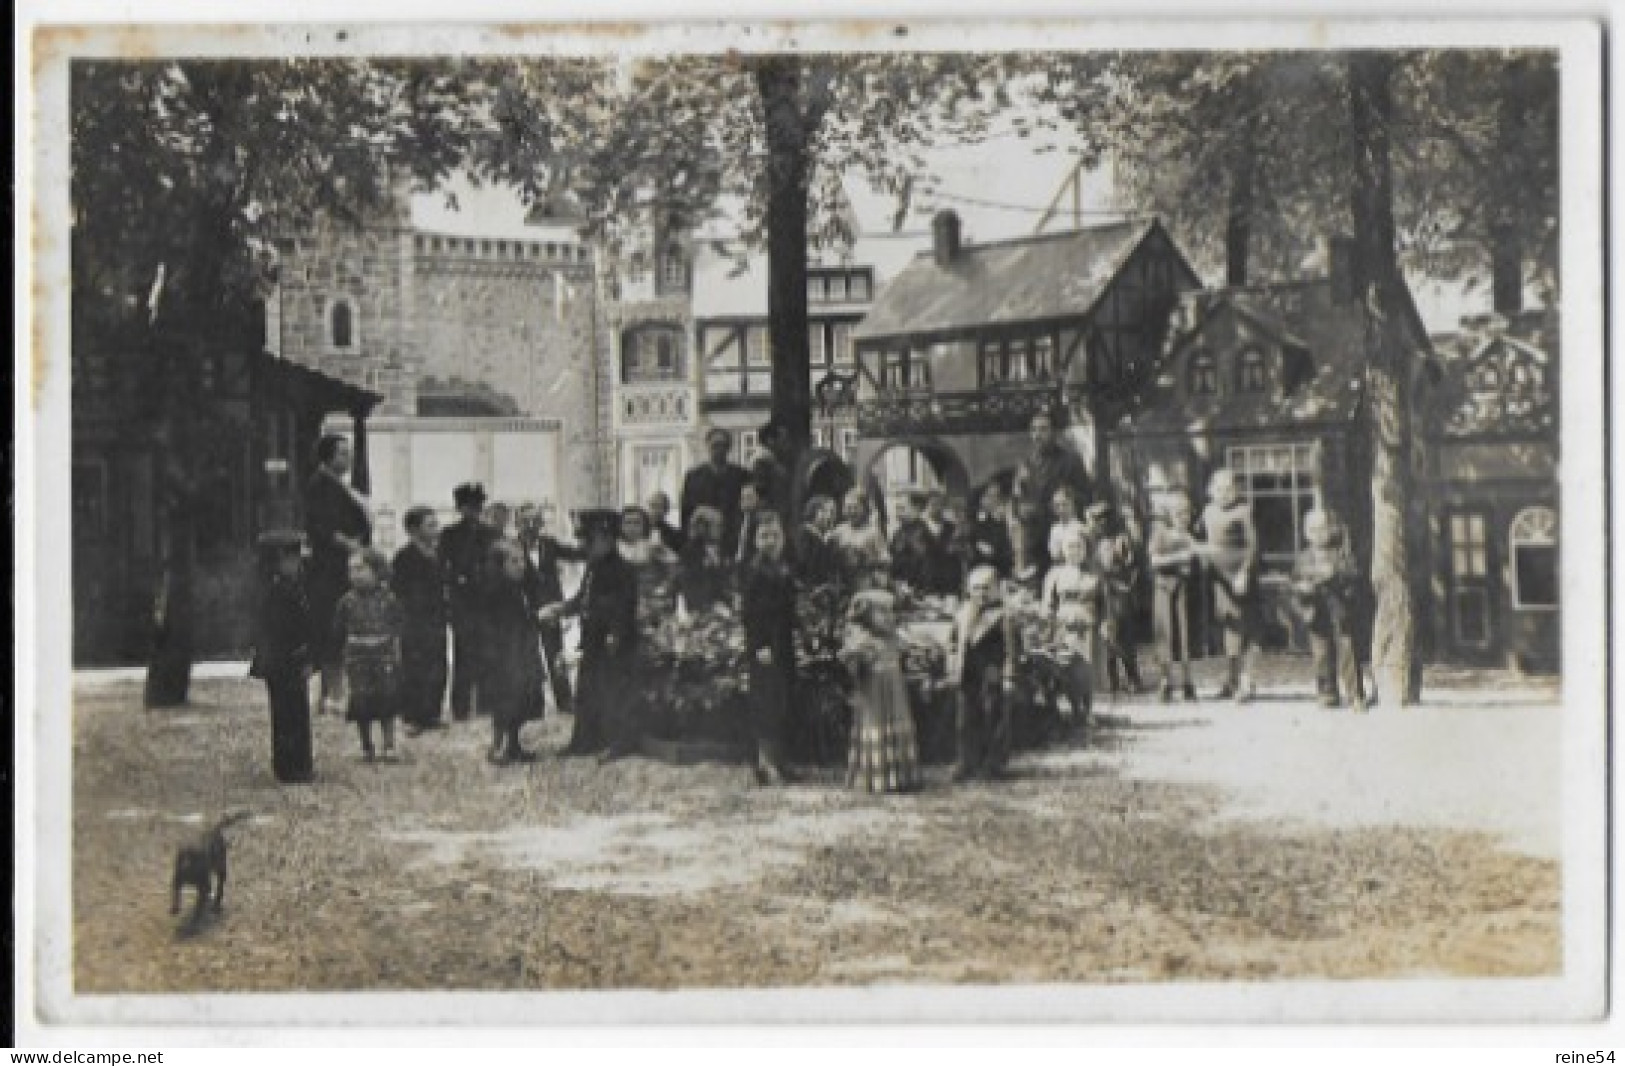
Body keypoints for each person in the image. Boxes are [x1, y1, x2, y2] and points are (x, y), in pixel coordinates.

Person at [543, 510, 639, 760]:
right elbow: (583, 598)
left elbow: (624, 606)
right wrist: (562, 608)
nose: (584, 545)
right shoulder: (594, 566)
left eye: (589, 540)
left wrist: (615, 634)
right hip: (593, 638)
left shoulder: (623, 570)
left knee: (613, 693)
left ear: (607, 539)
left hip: (613, 641)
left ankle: (618, 743)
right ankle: (584, 741)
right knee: (586, 690)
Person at [304, 433, 372, 716]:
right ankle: (332, 694)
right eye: (342, 453)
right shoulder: (319, 485)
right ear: (328, 456)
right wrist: (349, 543)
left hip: (340, 563)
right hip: (327, 566)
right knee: (330, 627)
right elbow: (321, 526)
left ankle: (330, 694)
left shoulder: (338, 486)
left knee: (337, 629)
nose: (348, 459)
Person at [840, 588, 922, 794]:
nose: (888, 617)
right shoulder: (862, 640)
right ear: (868, 616)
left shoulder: (895, 639)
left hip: (895, 691)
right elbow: (852, 670)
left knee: (897, 723)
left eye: (890, 612)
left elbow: (911, 658)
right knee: (875, 725)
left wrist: (915, 656)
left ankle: (902, 776)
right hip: (874, 694)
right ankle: (876, 777)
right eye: (882, 613)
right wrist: (854, 659)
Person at [249, 531, 314, 784]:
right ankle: (290, 765)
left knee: (297, 709)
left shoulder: (293, 587)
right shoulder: (274, 592)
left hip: (292, 657)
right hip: (282, 658)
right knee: (286, 711)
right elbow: (278, 629)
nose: (297, 563)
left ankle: (299, 762)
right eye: (292, 558)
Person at [948, 567, 1021, 781]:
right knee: (965, 720)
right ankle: (966, 762)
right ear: (969, 590)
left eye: (986, 588)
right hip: (966, 672)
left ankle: (993, 763)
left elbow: (1011, 651)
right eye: (976, 588)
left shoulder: (1004, 616)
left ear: (997, 589)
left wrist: (1009, 676)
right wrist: (953, 666)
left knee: (993, 717)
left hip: (992, 672)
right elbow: (952, 643)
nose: (981, 593)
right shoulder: (962, 613)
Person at [1292, 508, 1368, 712]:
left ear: (1331, 529)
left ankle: (1355, 695)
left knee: (1347, 651)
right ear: (1306, 532)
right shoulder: (1304, 556)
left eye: (1322, 528)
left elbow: (1354, 573)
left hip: (1339, 608)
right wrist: (1302, 587)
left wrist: (1336, 572)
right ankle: (1327, 692)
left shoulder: (1341, 552)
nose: (1317, 533)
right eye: (1312, 529)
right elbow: (1295, 580)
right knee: (1321, 653)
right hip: (1315, 610)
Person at [332, 548, 404, 762]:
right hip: (357, 657)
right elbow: (338, 631)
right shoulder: (346, 602)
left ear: (377, 571)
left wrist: (396, 651)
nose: (355, 574)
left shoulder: (389, 599)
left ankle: (389, 744)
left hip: (383, 655)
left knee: (386, 698)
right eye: (351, 570)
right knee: (361, 701)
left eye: (360, 569)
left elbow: (398, 626)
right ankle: (366, 744)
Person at [481, 539, 548, 763]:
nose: (521, 566)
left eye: (523, 560)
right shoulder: (494, 592)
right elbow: (492, 627)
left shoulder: (520, 589)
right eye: (514, 561)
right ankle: (498, 746)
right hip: (505, 657)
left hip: (522, 653)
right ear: (500, 565)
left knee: (520, 701)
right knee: (504, 702)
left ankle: (513, 745)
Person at [742, 515, 797, 785]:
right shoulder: (755, 571)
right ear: (756, 540)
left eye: (775, 536)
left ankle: (779, 761)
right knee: (765, 702)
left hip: (783, 644)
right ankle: (764, 764)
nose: (770, 542)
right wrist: (760, 645)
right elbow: (751, 615)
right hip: (764, 646)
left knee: (782, 701)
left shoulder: (783, 569)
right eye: (764, 536)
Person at [1198, 468, 1260, 703]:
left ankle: (1247, 681)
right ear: (1210, 491)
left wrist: (1244, 573)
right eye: (1219, 489)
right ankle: (1231, 680)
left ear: (1237, 490)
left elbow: (1253, 546)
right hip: (1219, 581)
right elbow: (1199, 538)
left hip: (1241, 580)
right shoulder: (1208, 511)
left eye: (1229, 489)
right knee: (1229, 628)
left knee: (1248, 630)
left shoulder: (1244, 511)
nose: (1224, 493)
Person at [515, 503, 583, 716]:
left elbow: (576, 553)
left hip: (551, 607)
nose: (531, 525)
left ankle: (565, 701)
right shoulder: (511, 547)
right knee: (528, 655)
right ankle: (533, 705)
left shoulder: (549, 544)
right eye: (525, 520)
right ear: (517, 523)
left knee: (556, 654)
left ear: (542, 523)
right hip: (526, 610)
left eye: (535, 520)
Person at [1013, 410, 1092, 585]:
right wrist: (1021, 510)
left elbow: (1086, 496)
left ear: (1054, 432)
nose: (1037, 435)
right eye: (1033, 430)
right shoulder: (1026, 463)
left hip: (1064, 535)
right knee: (1037, 584)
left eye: (1043, 430)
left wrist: (1062, 501)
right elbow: (1017, 499)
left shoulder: (1071, 461)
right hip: (1035, 538)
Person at [439, 482, 497, 720]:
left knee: (488, 651)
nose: (473, 511)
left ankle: (486, 703)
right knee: (463, 653)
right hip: (462, 601)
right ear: (460, 508)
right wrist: (457, 580)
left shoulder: (490, 533)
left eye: (477, 506)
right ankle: (461, 707)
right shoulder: (449, 534)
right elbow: (443, 565)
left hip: (487, 600)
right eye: (468, 507)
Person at [391, 507, 448, 736]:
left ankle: (431, 712)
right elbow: (398, 590)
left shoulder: (438, 554)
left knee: (438, 664)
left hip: (437, 618)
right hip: (414, 620)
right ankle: (412, 716)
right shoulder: (403, 557)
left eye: (436, 524)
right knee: (414, 666)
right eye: (430, 525)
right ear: (413, 530)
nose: (436, 529)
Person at [1042, 527, 1105, 735]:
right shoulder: (1054, 575)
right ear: (1062, 550)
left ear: (1085, 549)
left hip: (1088, 625)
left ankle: (1087, 710)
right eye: (1070, 547)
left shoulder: (1095, 573)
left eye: (1079, 546)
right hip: (1063, 626)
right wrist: (1048, 627)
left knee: (1086, 669)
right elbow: (1048, 604)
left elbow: (1104, 604)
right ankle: (1073, 707)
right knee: (1067, 668)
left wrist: (1106, 624)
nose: (1074, 551)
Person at [1147, 491, 1201, 702]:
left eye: (1186, 513)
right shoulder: (1160, 534)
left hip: (1185, 590)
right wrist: (1179, 557)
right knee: (1165, 635)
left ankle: (1188, 682)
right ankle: (1165, 682)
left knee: (1185, 633)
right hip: (1164, 589)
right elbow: (1154, 561)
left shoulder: (1190, 536)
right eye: (1178, 513)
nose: (1183, 517)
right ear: (1169, 514)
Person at [1092, 502, 1145, 695]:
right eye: (1097, 520)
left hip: (1119, 595)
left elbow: (1133, 566)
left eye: (1105, 519)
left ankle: (1133, 677)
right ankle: (1112, 680)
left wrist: (1127, 586)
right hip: (1101, 595)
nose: (1101, 524)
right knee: (1107, 639)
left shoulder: (1121, 540)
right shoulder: (1093, 543)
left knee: (1125, 638)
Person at [681, 428, 752, 559]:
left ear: (729, 448)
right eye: (715, 445)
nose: (719, 450)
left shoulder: (741, 475)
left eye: (724, 445)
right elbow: (686, 511)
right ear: (707, 446)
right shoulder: (694, 476)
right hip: (703, 537)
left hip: (731, 535)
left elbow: (746, 505)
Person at [677, 505, 733, 615]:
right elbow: (691, 583)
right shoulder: (690, 551)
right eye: (717, 526)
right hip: (700, 607)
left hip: (723, 604)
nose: (721, 530)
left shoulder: (723, 549)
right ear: (702, 527)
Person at [830, 486, 890, 590]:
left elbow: (886, 560)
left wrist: (868, 560)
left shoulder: (873, 532)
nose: (851, 511)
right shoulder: (839, 531)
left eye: (855, 507)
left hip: (865, 583)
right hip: (841, 584)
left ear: (865, 509)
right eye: (847, 507)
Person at [963, 480, 1015, 580]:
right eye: (990, 496)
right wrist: (978, 546)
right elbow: (969, 544)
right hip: (981, 570)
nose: (994, 500)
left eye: (997, 496)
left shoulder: (1001, 521)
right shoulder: (975, 522)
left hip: (1001, 570)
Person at [793, 494, 841, 589]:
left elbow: (832, 565)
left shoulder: (829, 536)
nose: (828, 516)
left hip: (825, 586)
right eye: (824, 511)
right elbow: (806, 563)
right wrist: (822, 543)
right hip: (807, 584)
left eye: (832, 512)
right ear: (813, 511)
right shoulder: (804, 532)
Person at [920, 490, 962, 596]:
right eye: (933, 504)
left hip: (949, 583)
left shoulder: (951, 528)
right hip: (926, 582)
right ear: (926, 505)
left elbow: (957, 555)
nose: (937, 508)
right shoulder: (918, 528)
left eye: (940, 504)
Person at [1046, 486, 1090, 574]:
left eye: (1064, 504)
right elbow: (1054, 555)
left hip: (1079, 571)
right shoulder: (1055, 529)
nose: (1061, 509)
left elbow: (1084, 555)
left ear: (1072, 504)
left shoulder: (1080, 528)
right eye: (1057, 506)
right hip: (1059, 570)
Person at [733, 483, 767, 571]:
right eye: (742, 498)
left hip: (754, 566)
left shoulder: (762, 521)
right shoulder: (737, 521)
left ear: (758, 500)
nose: (745, 501)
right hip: (737, 565)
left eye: (749, 497)